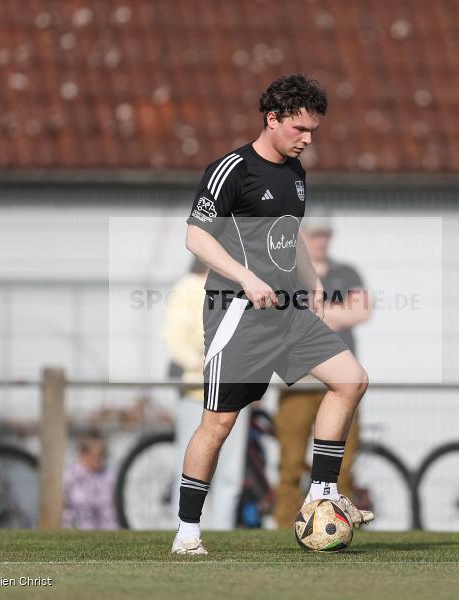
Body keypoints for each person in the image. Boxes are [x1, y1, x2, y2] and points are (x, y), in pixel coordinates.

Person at [172, 74, 372, 555]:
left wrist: (313, 281)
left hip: (289, 313)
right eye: (300, 130)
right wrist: (245, 277)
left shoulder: (295, 174)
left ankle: (322, 494)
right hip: (238, 317)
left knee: (352, 380)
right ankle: (187, 533)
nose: (307, 140)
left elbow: (290, 235)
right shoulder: (231, 170)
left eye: (314, 132)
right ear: (272, 119)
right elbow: (196, 238)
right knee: (218, 425)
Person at [273, 217, 371, 528]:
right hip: (299, 382)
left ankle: (337, 527)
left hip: (342, 381)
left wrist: (312, 316)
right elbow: (280, 315)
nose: (321, 241)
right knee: (290, 466)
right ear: (302, 236)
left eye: (326, 235)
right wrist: (334, 314)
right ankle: (287, 528)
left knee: (342, 467)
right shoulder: (289, 273)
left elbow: (362, 311)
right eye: (315, 235)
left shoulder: (346, 272)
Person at [161, 258, 249, 530]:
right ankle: (185, 528)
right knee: (189, 469)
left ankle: (223, 532)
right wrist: (202, 364)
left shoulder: (237, 288)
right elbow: (174, 338)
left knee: (230, 475)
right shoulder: (188, 287)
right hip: (196, 393)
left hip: (234, 389)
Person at [62, 431, 118, 530]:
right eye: (96, 454)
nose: (100, 459)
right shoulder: (68, 476)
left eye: (103, 454)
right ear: (82, 454)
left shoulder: (109, 476)